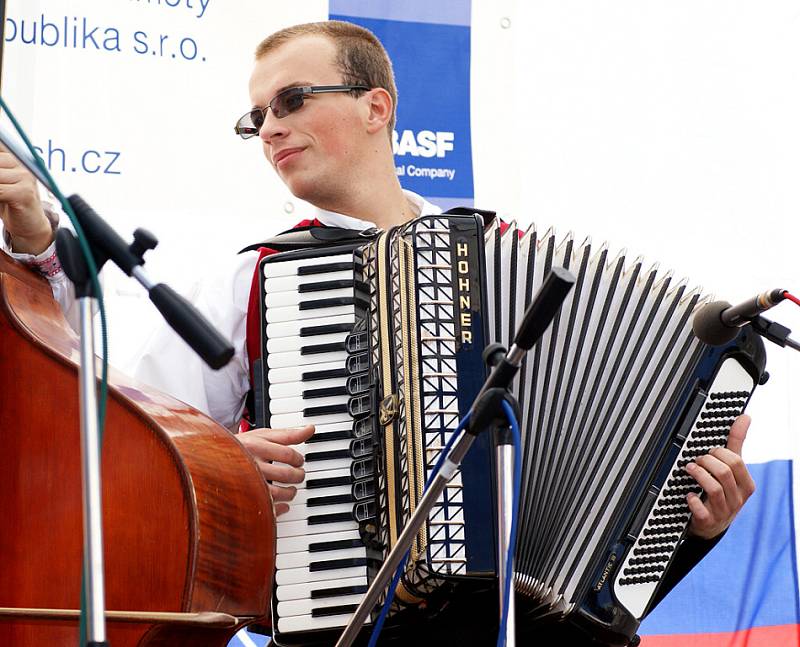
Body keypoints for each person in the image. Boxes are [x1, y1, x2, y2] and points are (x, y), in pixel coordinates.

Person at [0, 19, 757, 645]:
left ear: (377, 106)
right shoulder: (255, 279)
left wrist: (696, 525)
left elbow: (611, 519)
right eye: (256, 116)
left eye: (291, 99)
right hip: (354, 629)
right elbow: (124, 440)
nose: (270, 127)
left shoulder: (507, 259)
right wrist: (228, 467)